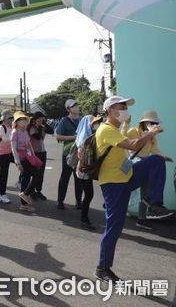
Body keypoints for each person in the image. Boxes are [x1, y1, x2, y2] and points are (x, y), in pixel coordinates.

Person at [94, 96, 174, 282]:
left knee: (155, 161)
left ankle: (154, 203)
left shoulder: (114, 129)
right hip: (113, 184)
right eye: (121, 107)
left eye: (125, 107)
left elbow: (126, 143)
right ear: (110, 110)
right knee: (114, 228)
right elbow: (133, 145)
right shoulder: (105, 130)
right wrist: (150, 133)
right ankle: (102, 268)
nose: (125, 110)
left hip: (126, 176)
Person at [122, 110, 173, 230]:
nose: (153, 125)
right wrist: (126, 124)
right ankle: (116, 208)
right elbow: (122, 139)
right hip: (134, 164)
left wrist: (163, 157)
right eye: (151, 122)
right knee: (124, 191)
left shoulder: (151, 137)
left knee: (147, 194)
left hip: (146, 166)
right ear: (144, 123)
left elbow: (154, 149)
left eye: (154, 123)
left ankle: (142, 218)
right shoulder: (133, 132)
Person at [55, 99, 83, 210]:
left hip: (80, 152)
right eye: (73, 106)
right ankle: (60, 201)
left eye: (77, 105)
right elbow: (58, 136)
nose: (76, 107)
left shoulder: (82, 120)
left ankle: (79, 201)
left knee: (79, 177)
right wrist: (75, 138)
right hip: (68, 153)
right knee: (65, 177)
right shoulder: (64, 121)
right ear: (68, 109)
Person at [11, 111, 40, 213]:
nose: (23, 122)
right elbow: (13, 148)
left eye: (24, 119)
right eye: (20, 120)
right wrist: (17, 162)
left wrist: (33, 156)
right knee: (29, 177)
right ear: (16, 122)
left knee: (27, 178)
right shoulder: (15, 132)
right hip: (21, 159)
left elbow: (29, 145)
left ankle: (24, 201)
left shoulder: (25, 132)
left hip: (28, 157)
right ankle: (24, 200)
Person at [28, 111, 54, 200]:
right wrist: (40, 126)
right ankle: (31, 191)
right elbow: (37, 136)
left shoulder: (42, 126)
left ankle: (38, 191)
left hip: (42, 152)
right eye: (39, 119)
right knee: (36, 173)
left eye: (42, 119)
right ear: (35, 119)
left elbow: (51, 131)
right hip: (34, 153)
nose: (40, 121)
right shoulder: (31, 127)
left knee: (41, 173)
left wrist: (45, 123)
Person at [0, 110, 14, 204]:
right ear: (4, 119)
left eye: (12, 117)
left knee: (24, 163)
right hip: (2, 154)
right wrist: (14, 138)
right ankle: (2, 194)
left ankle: (20, 182)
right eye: (10, 118)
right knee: (4, 174)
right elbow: (5, 139)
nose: (12, 119)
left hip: (11, 152)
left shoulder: (11, 126)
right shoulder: (1, 127)